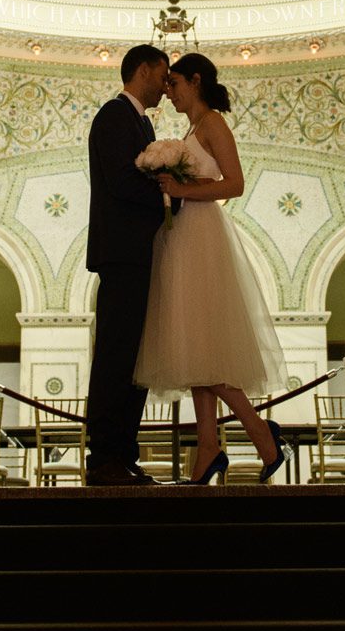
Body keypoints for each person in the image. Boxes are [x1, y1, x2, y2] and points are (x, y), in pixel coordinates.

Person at [135, 52, 290, 485]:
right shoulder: (191, 129)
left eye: (175, 84)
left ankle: (262, 434)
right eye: (166, 84)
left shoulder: (214, 124)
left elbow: (235, 184)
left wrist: (181, 186)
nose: (169, 91)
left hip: (202, 235)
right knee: (195, 346)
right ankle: (208, 446)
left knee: (205, 347)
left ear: (196, 81)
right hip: (182, 234)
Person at [82, 44, 171, 486]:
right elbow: (119, 181)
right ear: (141, 71)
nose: (165, 83)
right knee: (116, 355)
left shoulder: (142, 122)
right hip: (121, 254)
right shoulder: (114, 116)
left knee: (135, 358)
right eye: (162, 73)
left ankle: (124, 452)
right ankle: (103, 458)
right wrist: (168, 197)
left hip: (139, 254)